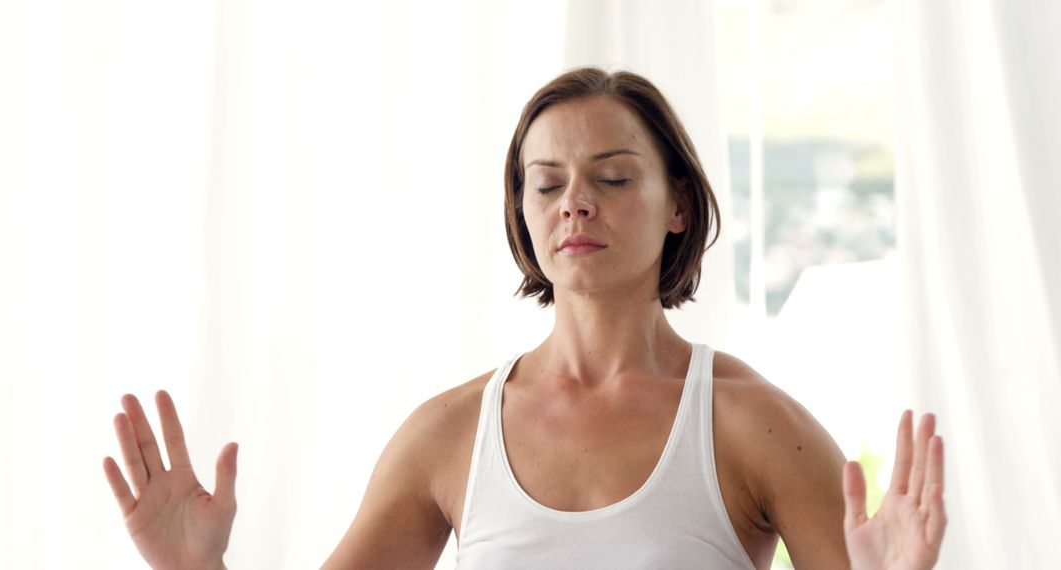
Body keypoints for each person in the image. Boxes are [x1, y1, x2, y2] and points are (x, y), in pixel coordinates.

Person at [102, 68, 946, 569]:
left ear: (679, 204)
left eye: (612, 178)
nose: (575, 202)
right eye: (546, 183)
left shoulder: (751, 424)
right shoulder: (448, 434)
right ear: (523, 212)